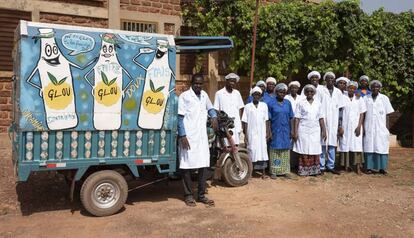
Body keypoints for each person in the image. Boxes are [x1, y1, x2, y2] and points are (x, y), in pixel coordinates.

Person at [178, 74, 218, 207]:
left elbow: (211, 108)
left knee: (203, 165)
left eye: (200, 84)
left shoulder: (204, 95)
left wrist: (213, 116)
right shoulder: (184, 96)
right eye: (196, 83)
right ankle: (188, 195)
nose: (198, 86)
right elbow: (180, 118)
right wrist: (182, 135)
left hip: (201, 137)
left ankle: (201, 195)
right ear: (192, 83)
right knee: (187, 166)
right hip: (188, 137)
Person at [292, 84, 327, 176]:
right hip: (303, 129)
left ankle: (315, 170)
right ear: (305, 93)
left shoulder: (318, 103)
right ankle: (304, 171)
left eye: (311, 91)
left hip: (315, 130)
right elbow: (297, 118)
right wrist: (295, 132)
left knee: (315, 149)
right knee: (304, 149)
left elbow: (321, 118)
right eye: (307, 91)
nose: (309, 93)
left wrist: (324, 131)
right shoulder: (301, 103)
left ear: (314, 93)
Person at [363, 80, 394, 175]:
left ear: (380, 88)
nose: (375, 88)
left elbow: (388, 115)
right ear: (370, 88)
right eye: (373, 86)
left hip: (381, 127)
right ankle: (368, 167)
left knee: (381, 146)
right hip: (368, 126)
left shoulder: (384, 98)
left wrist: (386, 129)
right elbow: (362, 114)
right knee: (369, 146)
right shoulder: (365, 98)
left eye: (377, 87)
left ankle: (382, 168)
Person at [338, 81, 366, 174]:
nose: (352, 89)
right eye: (350, 87)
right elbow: (340, 113)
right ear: (347, 88)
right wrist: (340, 126)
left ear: (356, 89)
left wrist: (359, 126)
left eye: (354, 88)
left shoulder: (359, 99)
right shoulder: (343, 98)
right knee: (344, 146)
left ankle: (357, 167)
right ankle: (345, 167)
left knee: (356, 145)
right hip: (345, 126)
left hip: (356, 126)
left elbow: (362, 113)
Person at [242, 86, 271, 178]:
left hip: (262, 133)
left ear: (260, 96)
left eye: (259, 94)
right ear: (252, 95)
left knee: (262, 151)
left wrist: (267, 132)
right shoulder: (247, 106)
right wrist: (246, 135)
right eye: (255, 94)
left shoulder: (264, 106)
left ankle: (263, 173)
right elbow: (245, 121)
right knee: (252, 151)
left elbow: (266, 120)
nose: (257, 96)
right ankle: (250, 173)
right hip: (251, 132)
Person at [319, 72, 344, 175]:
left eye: (332, 79)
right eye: (328, 79)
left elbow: (341, 109)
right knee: (323, 144)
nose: (330, 80)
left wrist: (340, 124)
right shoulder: (320, 90)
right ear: (325, 80)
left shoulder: (338, 92)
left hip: (334, 121)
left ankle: (331, 166)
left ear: (334, 80)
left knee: (332, 144)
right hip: (323, 120)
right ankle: (321, 166)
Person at [268, 83, 294, 179]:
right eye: (280, 92)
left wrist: (292, 130)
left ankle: (285, 171)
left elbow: (291, 117)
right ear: (276, 92)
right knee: (275, 149)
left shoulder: (288, 103)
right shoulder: (271, 103)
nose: (282, 94)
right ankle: (274, 171)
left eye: (284, 92)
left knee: (285, 149)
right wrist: (269, 131)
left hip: (286, 130)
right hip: (275, 129)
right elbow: (268, 119)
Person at [214, 73, 244, 145]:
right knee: (226, 146)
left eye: (234, 81)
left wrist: (239, 122)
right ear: (226, 81)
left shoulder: (237, 93)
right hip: (225, 125)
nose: (232, 83)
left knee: (235, 146)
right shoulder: (219, 93)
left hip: (235, 124)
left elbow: (240, 108)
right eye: (231, 81)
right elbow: (216, 109)